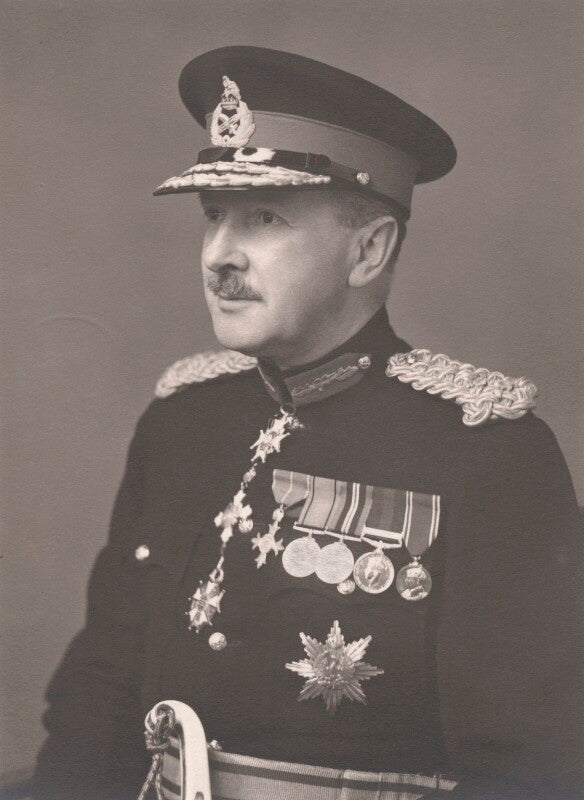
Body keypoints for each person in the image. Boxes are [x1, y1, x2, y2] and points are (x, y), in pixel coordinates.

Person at [33, 46, 582, 800]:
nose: (219, 256)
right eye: (214, 216)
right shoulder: (182, 420)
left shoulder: (485, 453)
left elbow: (531, 770)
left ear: (369, 250)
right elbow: (97, 697)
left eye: (265, 218)